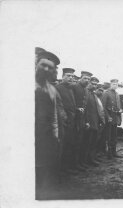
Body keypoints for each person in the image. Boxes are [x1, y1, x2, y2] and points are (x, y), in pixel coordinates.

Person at [35, 50, 61, 198]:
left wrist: (55, 136)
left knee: (43, 171)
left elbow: (54, 116)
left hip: (45, 137)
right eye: (43, 65)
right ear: (36, 63)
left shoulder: (51, 89)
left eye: (50, 67)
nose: (46, 69)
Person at [55, 68, 80, 173]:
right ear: (62, 77)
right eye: (68, 75)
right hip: (63, 122)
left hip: (71, 122)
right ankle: (59, 169)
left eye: (72, 76)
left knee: (69, 145)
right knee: (62, 146)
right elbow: (58, 106)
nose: (71, 78)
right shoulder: (57, 88)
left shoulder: (70, 89)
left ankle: (66, 168)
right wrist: (64, 119)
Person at [71, 71, 92, 169]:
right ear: (80, 78)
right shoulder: (74, 87)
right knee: (74, 143)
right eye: (85, 78)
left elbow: (86, 107)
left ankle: (79, 163)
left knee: (80, 142)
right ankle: (73, 165)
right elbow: (70, 102)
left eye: (88, 79)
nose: (87, 80)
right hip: (74, 120)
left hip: (82, 120)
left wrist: (87, 121)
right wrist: (76, 109)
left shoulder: (86, 90)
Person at [83, 77, 105, 167]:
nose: (94, 85)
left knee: (93, 142)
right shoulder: (86, 93)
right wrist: (86, 121)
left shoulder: (94, 95)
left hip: (95, 122)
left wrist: (100, 121)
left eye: (96, 84)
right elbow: (85, 109)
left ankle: (91, 158)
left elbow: (97, 109)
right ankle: (86, 160)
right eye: (93, 83)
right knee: (87, 143)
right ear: (89, 83)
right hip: (89, 123)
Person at [102, 79, 123, 158]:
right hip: (109, 118)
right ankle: (109, 153)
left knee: (114, 136)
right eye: (113, 84)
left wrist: (120, 110)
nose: (115, 86)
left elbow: (119, 106)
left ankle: (114, 152)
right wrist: (108, 117)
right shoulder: (106, 93)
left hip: (115, 117)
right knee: (108, 136)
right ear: (110, 84)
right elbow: (103, 107)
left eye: (116, 84)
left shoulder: (117, 94)